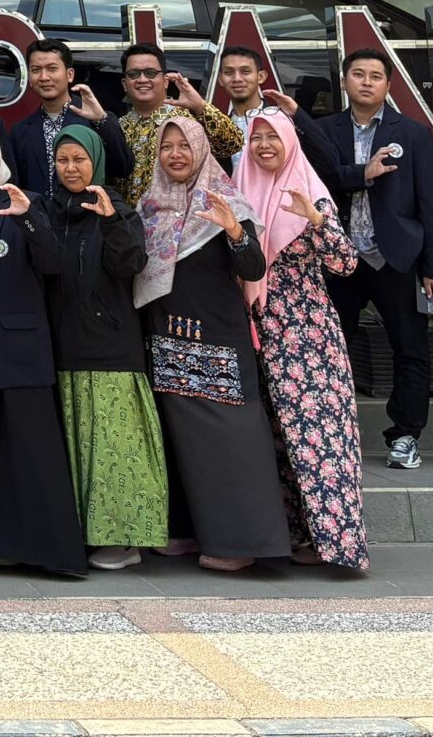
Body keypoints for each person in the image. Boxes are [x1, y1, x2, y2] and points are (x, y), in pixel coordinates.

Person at [135, 113, 286, 571]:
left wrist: (236, 232)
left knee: (231, 441)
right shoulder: (150, 206)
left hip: (218, 340)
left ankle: (241, 544)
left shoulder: (225, 201)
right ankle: (187, 533)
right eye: (167, 147)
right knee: (184, 442)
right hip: (167, 340)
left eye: (184, 145)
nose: (175, 154)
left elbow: (253, 269)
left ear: (200, 149)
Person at [0, 122, 88, 577]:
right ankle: (4, 547)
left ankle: (51, 553)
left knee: (33, 454)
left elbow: (53, 264)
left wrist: (29, 219)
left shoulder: (22, 201)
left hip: (18, 350)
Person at [234, 109, 368, 572]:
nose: (264, 146)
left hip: (307, 335)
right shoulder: (241, 192)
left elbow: (346, 264)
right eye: (257, 138)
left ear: (291, 142)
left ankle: (338, 544)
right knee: (275, 441)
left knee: (318, 438)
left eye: (273, 137)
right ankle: (292, 537)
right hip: (256, 329)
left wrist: (314, 219)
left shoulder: (311, 192)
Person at [27, 123, 166, 570]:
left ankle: (126, 540)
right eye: (62, 160)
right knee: (79, 450)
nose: (70, 168)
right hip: (64, 349)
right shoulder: (48, 211)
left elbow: (132, 265)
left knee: (115, 450)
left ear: (97, 162)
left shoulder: (117, 208)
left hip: (110, 351)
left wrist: (111, 222)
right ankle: (89, 535)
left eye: (80, 159)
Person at [313, 49, 433, 469]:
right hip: (339, 260)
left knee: (410, 349)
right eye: (358, 74)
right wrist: (362, 174)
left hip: (396, 258)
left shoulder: (413, 133)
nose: (367, 82)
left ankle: (405, 435)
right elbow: (317, 183)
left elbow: (432, 202)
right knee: (329, 350)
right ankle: (327, 434)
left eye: (375, 76)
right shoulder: (323, 130)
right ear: (345, 81)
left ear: (388, 84)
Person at [7, 40, 132, 203]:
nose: (44, 77)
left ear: (70, 74)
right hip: (40, 216)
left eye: (52, 69)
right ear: (29, 78)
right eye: (36, 70)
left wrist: (101, 120)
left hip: (88, 214)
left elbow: (124, 168)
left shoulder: (96, 119)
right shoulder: (20, 131)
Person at [118, 44, 244, 203]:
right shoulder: (119, 126)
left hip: (183, 215)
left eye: (150, 73)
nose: (142, 80)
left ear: (165, 81)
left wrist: (200, 106)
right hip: (128, 217)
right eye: (134, 74)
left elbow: (232, 144)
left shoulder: (187, 119)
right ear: (125, 83)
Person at [215, 46, 340, 185]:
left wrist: (297, 114)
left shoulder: (285, 120)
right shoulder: (217, 128)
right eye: (229, 72)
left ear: (261, 76)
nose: (237, 78)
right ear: (220, 79)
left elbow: (329, 163)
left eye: (245, 71)